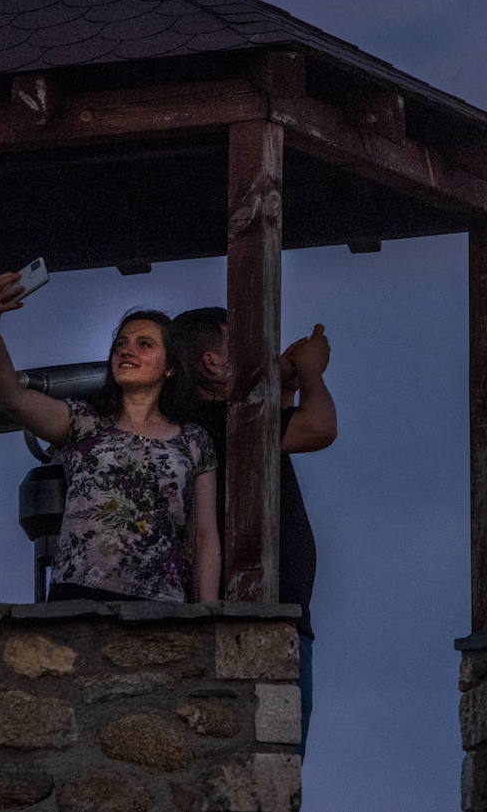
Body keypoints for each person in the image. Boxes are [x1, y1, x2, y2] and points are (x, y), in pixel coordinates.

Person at [0, 271, 220, 602]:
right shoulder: (83, 422)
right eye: (120, 343)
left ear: (170, 367)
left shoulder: (194, 440)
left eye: (144, 344)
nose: (126, 350)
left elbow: (204, 537)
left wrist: (207, 618)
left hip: (160, 606)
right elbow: (11, 396)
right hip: (79, 599)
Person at [172, 308, 336, 755]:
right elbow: (319, 427)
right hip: (259, 620)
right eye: (244, 346)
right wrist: (312, 371)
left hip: (270, 617)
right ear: (213, 362)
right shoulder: (228, 419)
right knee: (269, 769)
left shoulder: (206, 421)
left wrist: (284, 384)